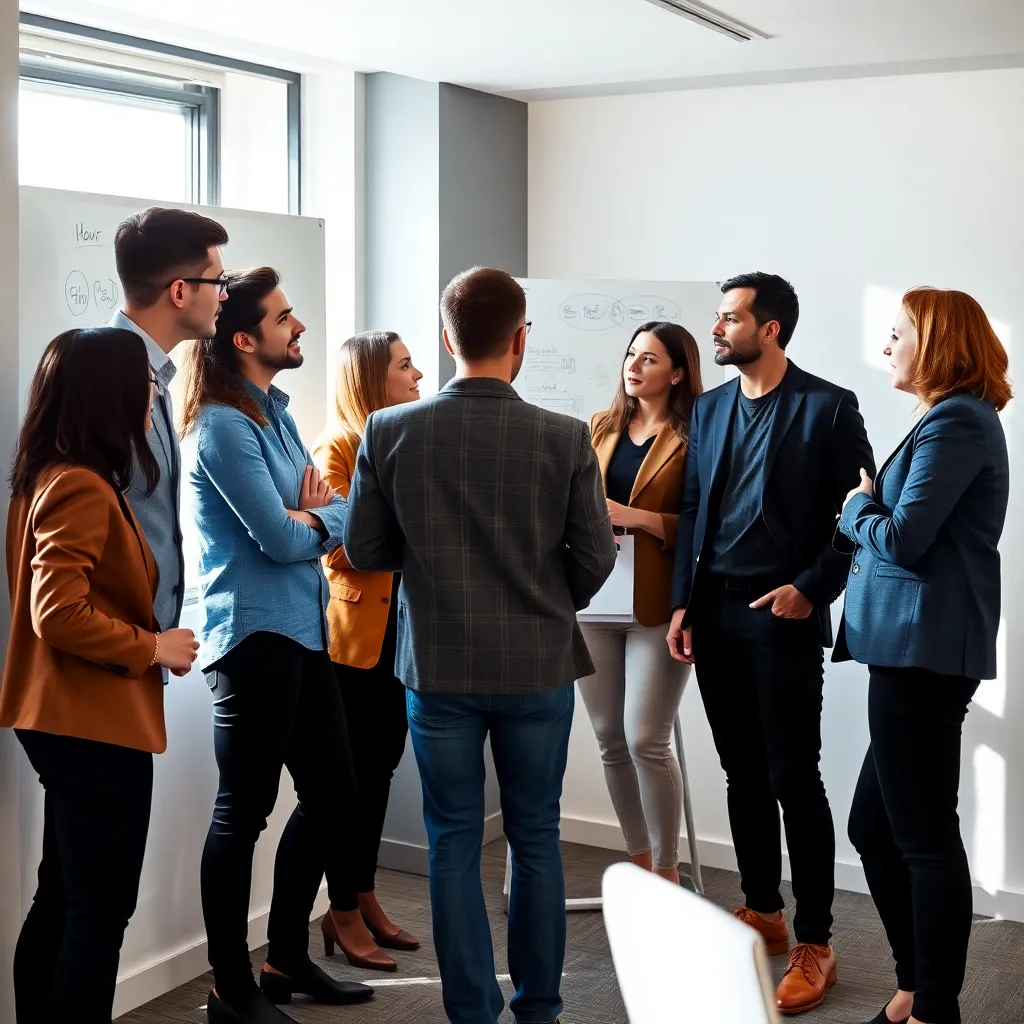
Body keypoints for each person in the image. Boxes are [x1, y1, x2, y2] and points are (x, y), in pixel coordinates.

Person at [344, 266, 617, 1024]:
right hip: (537, 666)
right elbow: (594, 559)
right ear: (521, 337)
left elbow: (365, 550)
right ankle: (540, 1008)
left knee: (452, 842)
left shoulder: (389, 430)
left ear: (446, 336)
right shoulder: (563, 437)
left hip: (437, 666)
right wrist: (545, 601)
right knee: (536, 835)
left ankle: (471, 1011)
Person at [666, 272, 874, 1015]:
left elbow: (859, 515)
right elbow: (694, 508)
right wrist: (682, 603)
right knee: (740, 771)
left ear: (771, 328)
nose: (716, 331)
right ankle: (764, 908)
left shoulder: (829, 407)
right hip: (715, 610)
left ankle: (816, 940)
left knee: (794, 776)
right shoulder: (712, 407)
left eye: (729, 319)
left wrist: (811, 588)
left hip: (782, 616)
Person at [180, 267, 372, 1023]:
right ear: (245, 337)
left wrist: (313, 518)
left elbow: (324, 513)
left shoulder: (277, 415)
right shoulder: (223, 426)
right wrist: (319, 519)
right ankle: (232, 989)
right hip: (253, 639)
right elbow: (281, 536)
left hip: (300, 631)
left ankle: (286, 957)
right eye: (287, 319)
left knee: (333, 797)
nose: (299, 329)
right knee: (243, 813)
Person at [1, 327, 199, 1024]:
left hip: (67, 719)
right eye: (144, 383)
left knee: (63, 898)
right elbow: (56, 613)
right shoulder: (81, 485)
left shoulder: (50, 476)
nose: (153, 394)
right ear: (110, 393)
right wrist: (154, 647)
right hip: (92, 722)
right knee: (98, 910)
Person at [837, 288, 1011, 1024]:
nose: (887, 346)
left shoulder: (958, 423)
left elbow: (906, 539)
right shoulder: (945, 419)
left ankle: (934, 1005)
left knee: (922, 834)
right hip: (910, 649)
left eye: (899, 333)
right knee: (877, 828)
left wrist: (855, 509)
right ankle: (916, 984)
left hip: (923, 652)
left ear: (937, 343)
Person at [312, 331, 424, 971]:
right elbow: (341, 547)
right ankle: (343, 912)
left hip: (401, 635)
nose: (416, 376)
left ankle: (364, 897)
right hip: (354, 642)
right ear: (370, 379)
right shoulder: (339, 446)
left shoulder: (400, 440)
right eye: (404, 366)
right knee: (348, 781)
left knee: (379, 772)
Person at [579, 321, 703, 884]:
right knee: (609, 738)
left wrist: (640, 519)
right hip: (594, 602)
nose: (634, 365)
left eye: (650, 359)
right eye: (631, 354)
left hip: (657, 607)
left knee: (645, 740)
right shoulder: (599, 427)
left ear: (677, 372)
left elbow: (707, 523)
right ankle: (639, 857)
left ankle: (669, 869)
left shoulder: (696, 434)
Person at [112, 206, 229, 640]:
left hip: (141, 645)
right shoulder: (105, 379)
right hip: (118, 650)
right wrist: (148, 647)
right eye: (219, 282)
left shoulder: (152, 373)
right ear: (179, 292)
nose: (224, 296)